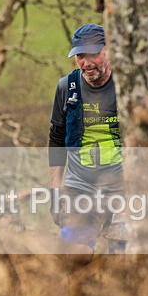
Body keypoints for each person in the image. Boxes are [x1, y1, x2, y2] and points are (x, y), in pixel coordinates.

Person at [48, 23, 125, 253]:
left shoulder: (125, 87)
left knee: (122, 258)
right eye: (81, 56)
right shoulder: (66, 87)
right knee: (74, 259)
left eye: (93, 55)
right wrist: (55, 191)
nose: (87, 63)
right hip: (78, 187)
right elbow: (56, 138)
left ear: (108, 51)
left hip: (123, 187)